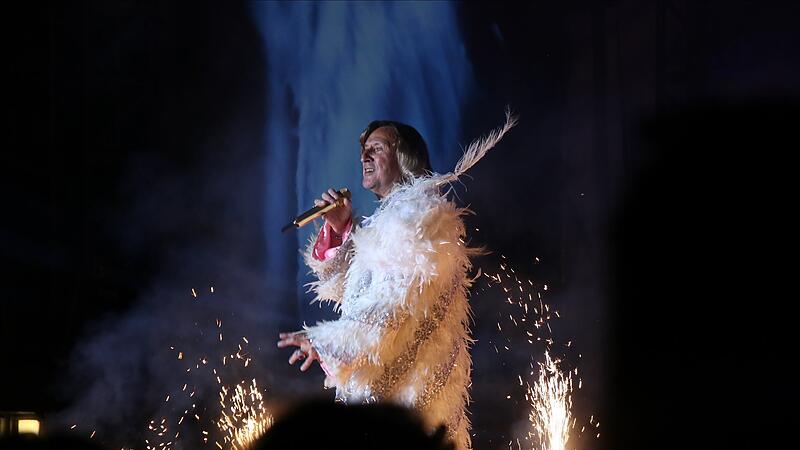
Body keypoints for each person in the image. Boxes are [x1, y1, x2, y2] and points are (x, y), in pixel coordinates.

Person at [278, 114, 515, 450]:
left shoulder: (423, 218)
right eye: (363, 150)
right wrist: (340, 228)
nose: (364, 157)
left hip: (411, 408)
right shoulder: (386, 224)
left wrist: (327, 341)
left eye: (377, 148)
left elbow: (392, 310)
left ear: (405, 158)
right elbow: (340, 289)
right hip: (381, 403)